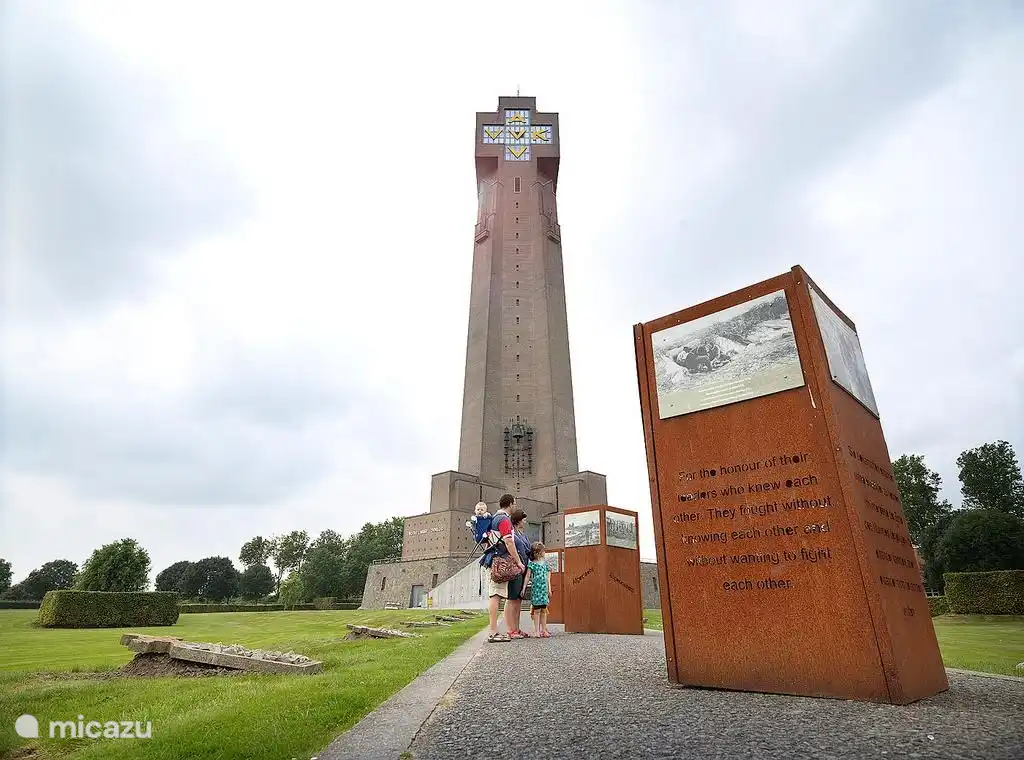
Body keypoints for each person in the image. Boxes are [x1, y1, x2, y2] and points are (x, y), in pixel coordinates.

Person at [486, 495, 531, 642]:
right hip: (501, 562)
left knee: (497, 595)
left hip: (497, 560)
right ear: (510, 504)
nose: (514, 507)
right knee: (496, 595)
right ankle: (493, 632)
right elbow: (509, 542)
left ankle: (499, 631)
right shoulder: (503, 519)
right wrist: (518, 562)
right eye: (514, 504)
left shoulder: (495, 518)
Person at [523, 542, 551, 638]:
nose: (544, 552)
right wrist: (524, 588)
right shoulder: (532, 564)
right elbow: (527, 577)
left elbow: (548, 578)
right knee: (537, 611)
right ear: (538, 552)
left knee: (544, 610)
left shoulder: (545, 564)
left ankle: (544, 630)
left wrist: (549, 589)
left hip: (544, 591)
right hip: (536, 591)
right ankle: (536, 631)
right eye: (543, 551)